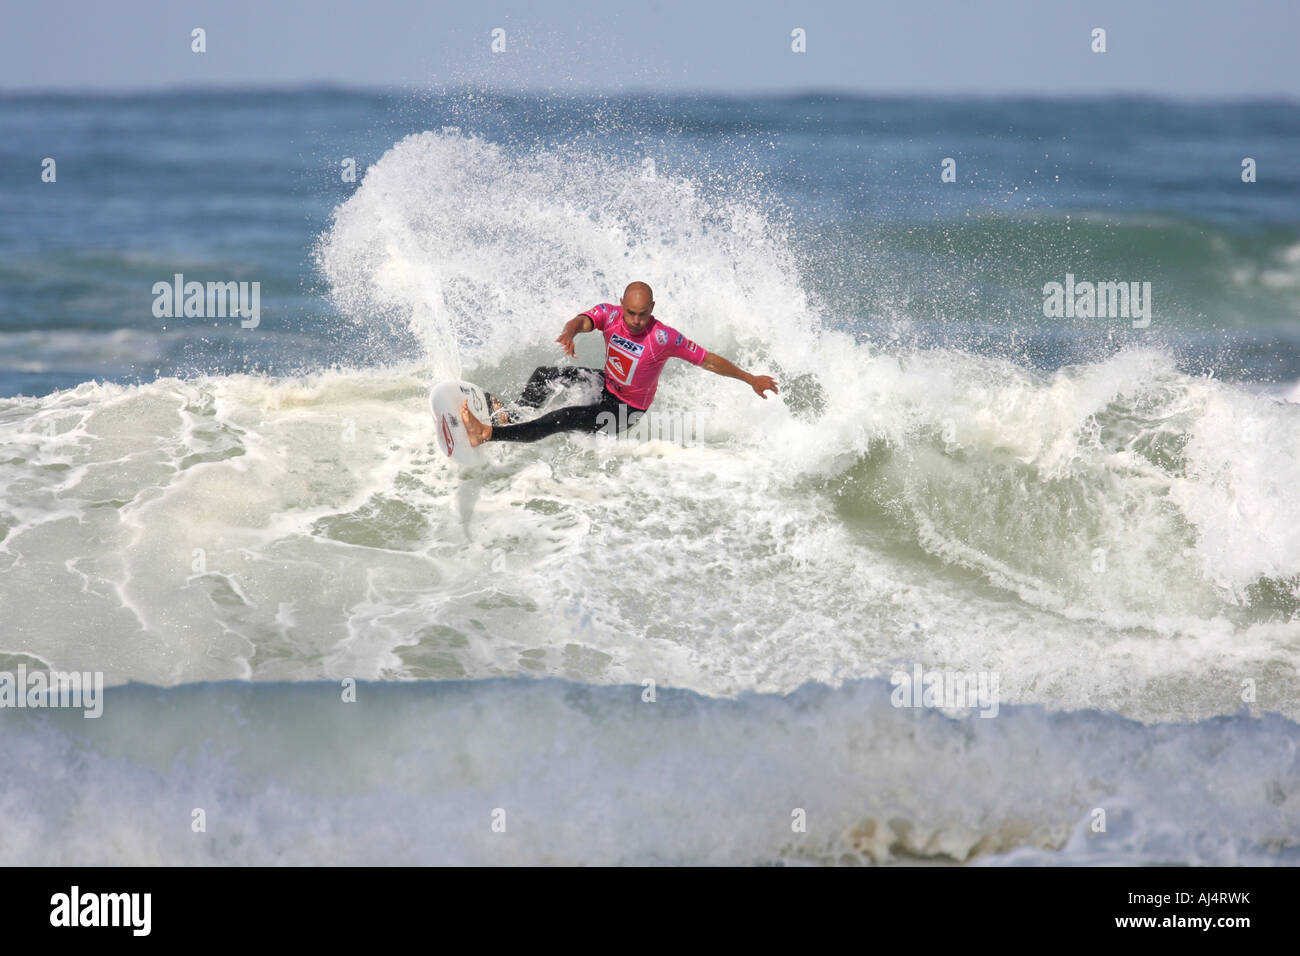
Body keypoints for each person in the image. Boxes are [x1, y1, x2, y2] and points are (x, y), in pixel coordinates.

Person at [460, 281, 778, 445]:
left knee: (561, 418)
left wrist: (750, 379)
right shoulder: (610, 315)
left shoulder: (663, 338)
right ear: (622, 304)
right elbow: (583, 321)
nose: (637, 320)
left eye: (643, 314)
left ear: (652, 308)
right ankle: (513, 416)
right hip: (606, 385)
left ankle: (486, 434)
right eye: (631, 313)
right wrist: (569, 332)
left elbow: (708, 360)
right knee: (545, 375)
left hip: (626, 411)